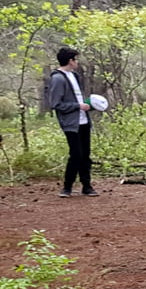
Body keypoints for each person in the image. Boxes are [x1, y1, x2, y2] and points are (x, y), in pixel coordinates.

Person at [47, 47, 98, 197]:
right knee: (76, 154)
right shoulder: (58, 78)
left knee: (85, 155)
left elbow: (78, 98)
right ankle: (67, 187)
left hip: (83, 122)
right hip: (71, 124)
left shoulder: (74, 76)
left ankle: (87, 186)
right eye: (76, 59)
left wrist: (89, 105)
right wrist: (77, 106)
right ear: (71, 61)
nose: (77, 62)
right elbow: (56, 104)